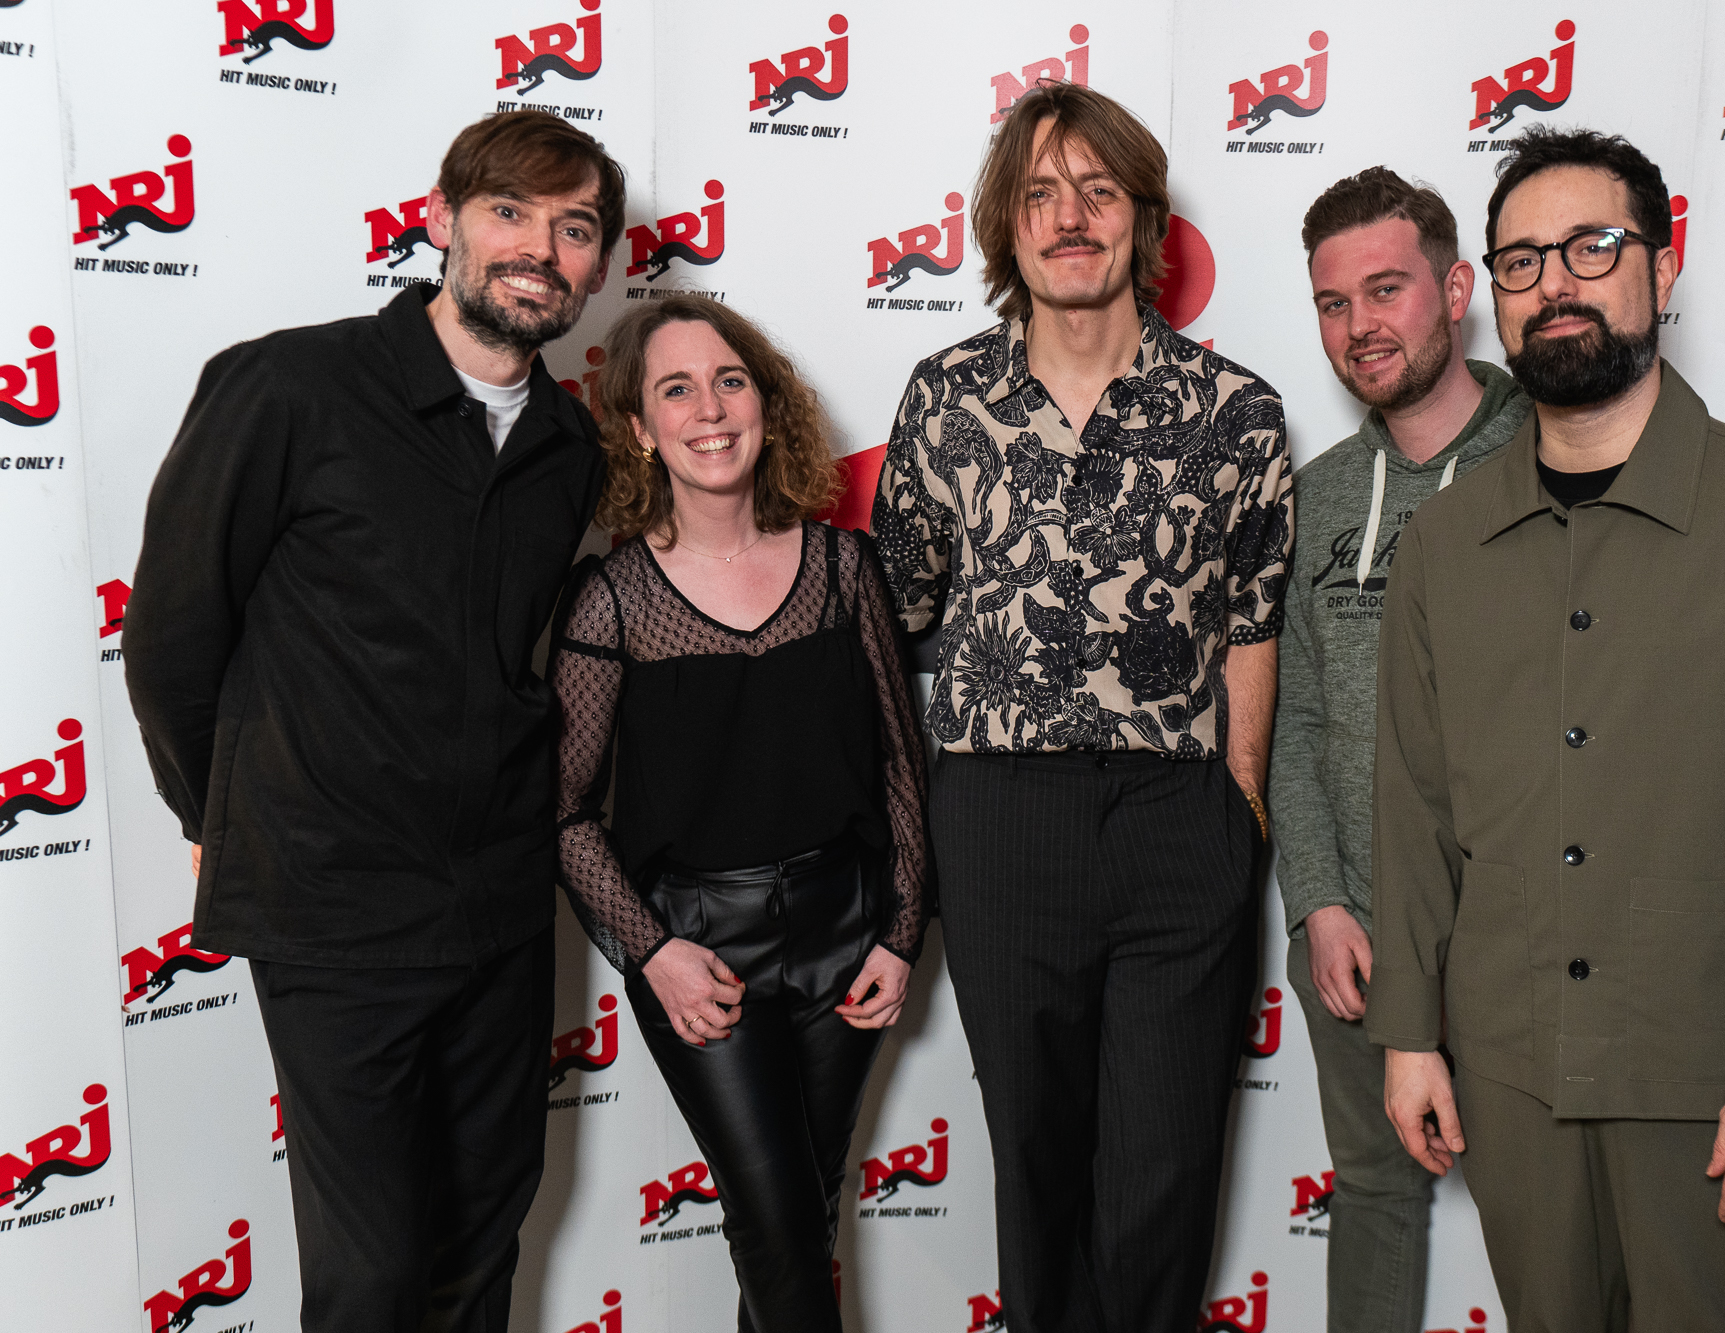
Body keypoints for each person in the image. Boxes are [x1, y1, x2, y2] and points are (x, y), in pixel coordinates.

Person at [1366, 125, 1725, 1331]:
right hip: (1509, 1075)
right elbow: (1411, 803)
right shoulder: (1442, 548)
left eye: (1591, 246)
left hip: (1717, 1089)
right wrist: (1407, 1034)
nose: (1553, 283)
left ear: (1662, 268)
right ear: (1490, 297)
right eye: (1520, 261)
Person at [122, 111, 622, 1331]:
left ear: (600, 265)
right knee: (371, 1274)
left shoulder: (570, 448)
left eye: (573, 229)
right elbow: (175, 634)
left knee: (481, 1241)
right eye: (508, 212)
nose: (539, 249)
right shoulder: (289, 386)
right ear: (441, 218)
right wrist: (215, 814)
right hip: (333, 905)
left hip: (500, 906)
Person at [872, 82, 1293, 1332]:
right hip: (1000, 818)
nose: (1069, 217)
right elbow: (895, 613)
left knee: (1165, 1168)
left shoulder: (1235, 410)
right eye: (1040, 194)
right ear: (1004, 226)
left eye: (1097, 191)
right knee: (1036, 1157)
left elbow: (1253, 623)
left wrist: (1239, 809)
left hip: (1178, 818)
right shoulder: (944, 397)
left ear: (1142, 220)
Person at [550, 295, 931, 1331]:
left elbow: (901, 764)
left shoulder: (844, 568)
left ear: (766, 403)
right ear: (640, 427)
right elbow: (566, 813)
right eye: (675, 390)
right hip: (701, 948)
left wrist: (899, 933)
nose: (710, 410)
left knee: (800, 1217)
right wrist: (651, 952)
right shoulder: (611, 600)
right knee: (775, 1224)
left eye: (729, 381)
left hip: (847, 935)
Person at [1268, 167, 1530, 1333]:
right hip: (1359, 939)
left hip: (1523, 937)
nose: (1359, 325)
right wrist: (1319, 902)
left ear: (1455, 290)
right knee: (1372, 1196)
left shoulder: (1554, 455)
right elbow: (1295, 722)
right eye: (1333, 302)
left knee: (1561, 1215)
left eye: (1386, 289)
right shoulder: (1319, 496)